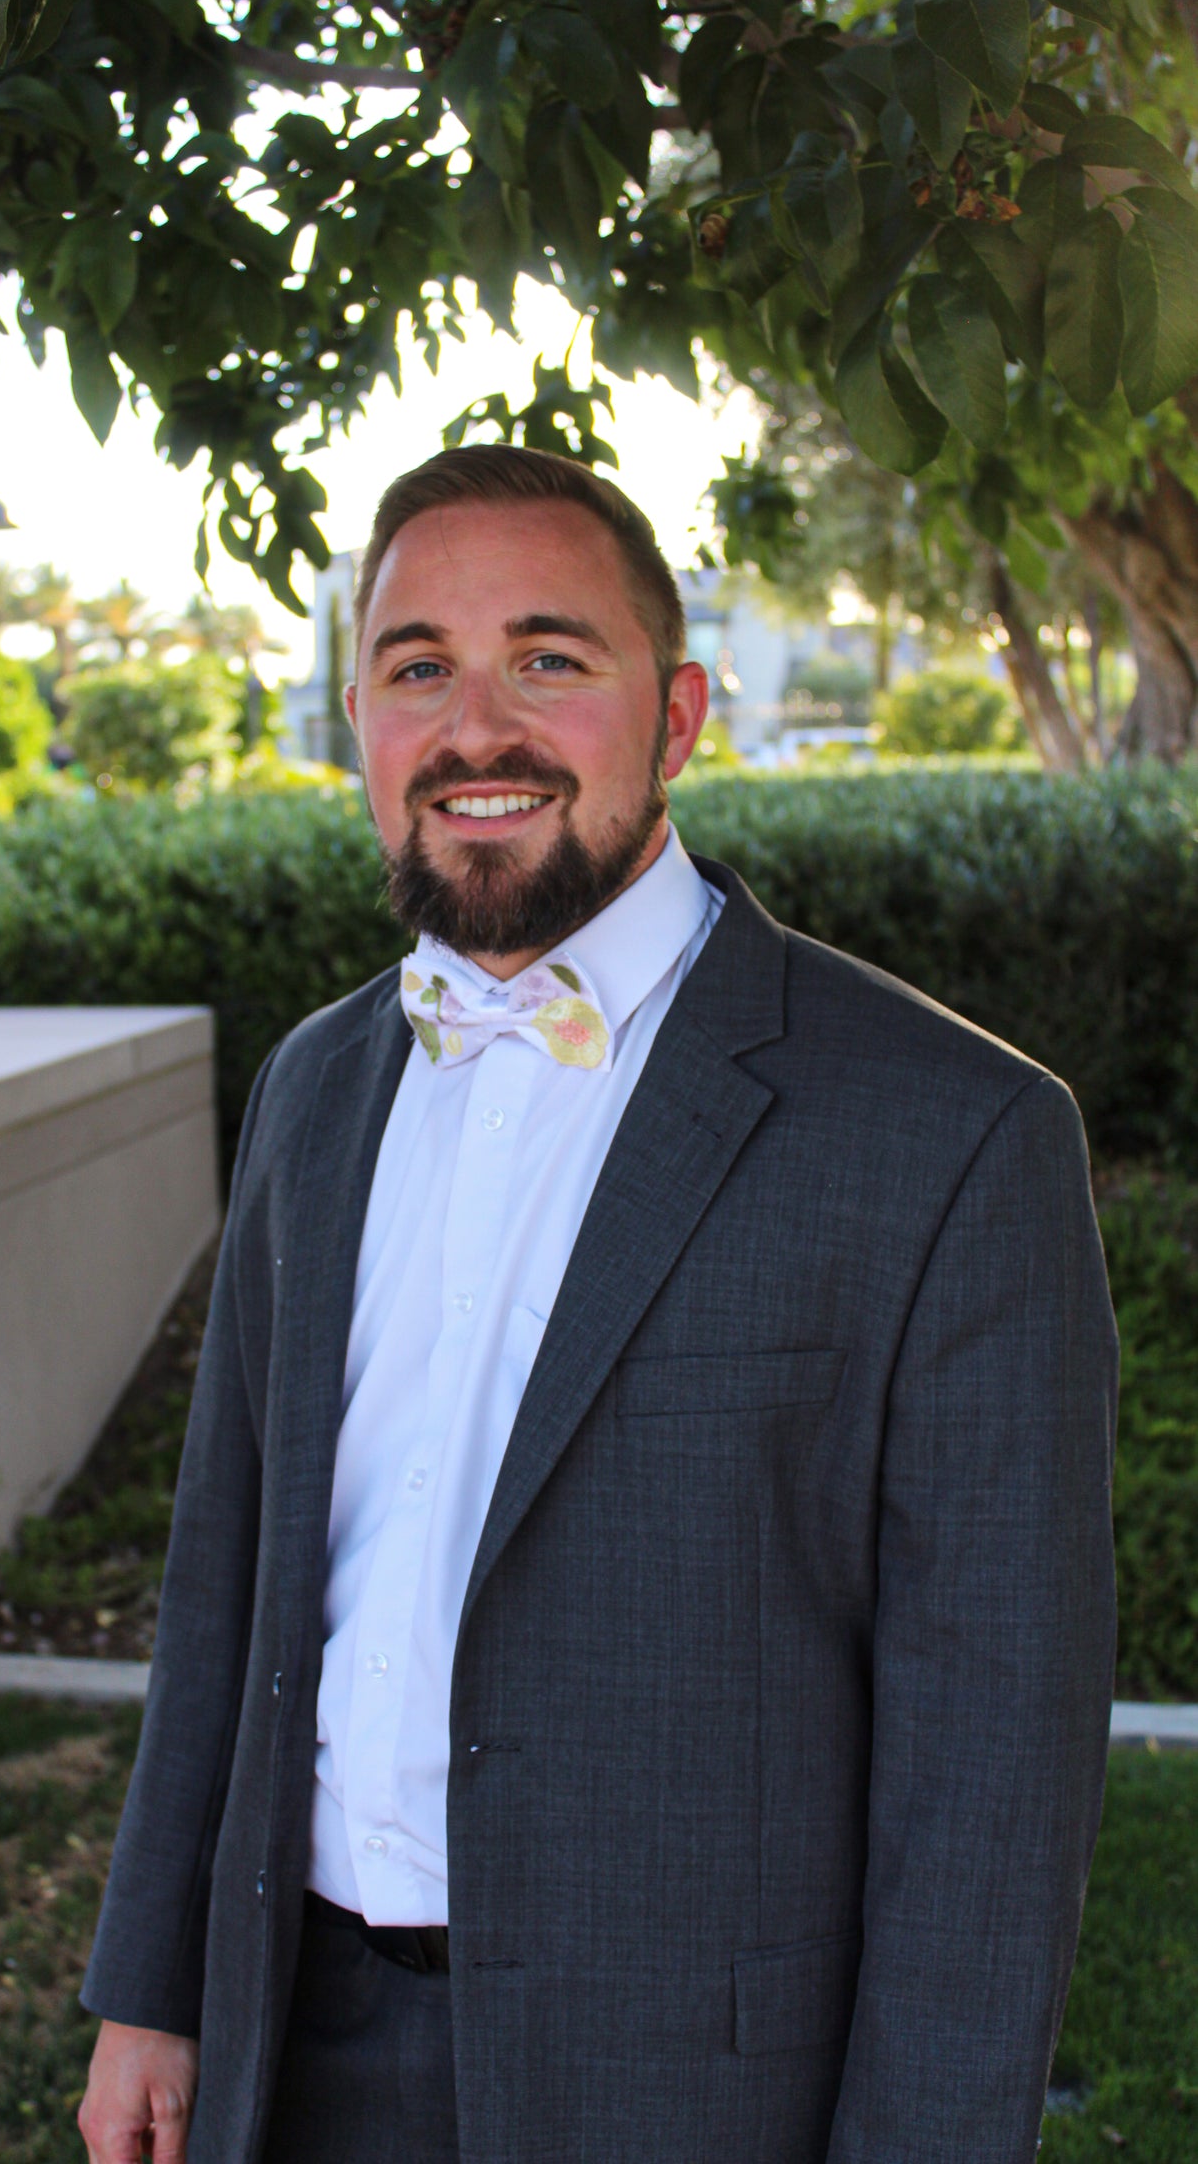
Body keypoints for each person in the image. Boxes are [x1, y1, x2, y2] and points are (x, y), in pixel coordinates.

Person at [76, 445, 1117, 2164]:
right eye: (418, 668)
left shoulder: (951, 1133)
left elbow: (992, 1776)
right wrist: (154, 1985)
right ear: (360, 721)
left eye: (547, 660)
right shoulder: (311, 1092)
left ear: (681, 714)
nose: (475, 726)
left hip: (699, 2093)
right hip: (293, 2055)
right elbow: (227, 1583)